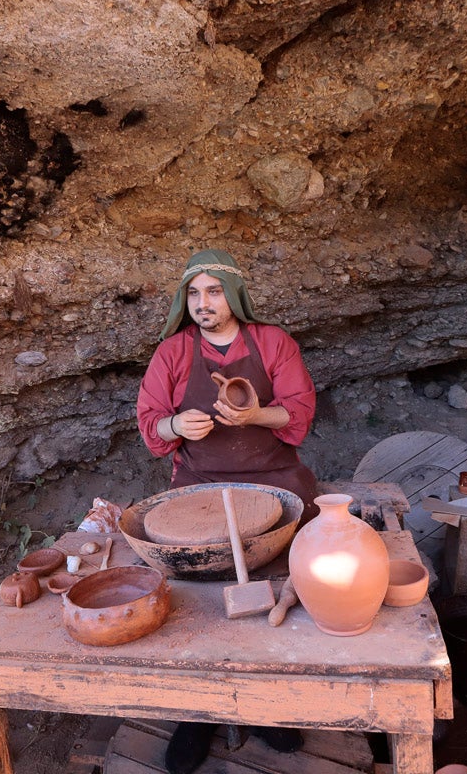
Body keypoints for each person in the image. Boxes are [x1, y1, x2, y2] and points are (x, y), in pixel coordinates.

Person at [136, 249, 318, 774]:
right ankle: (199, 713)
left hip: (272, 478)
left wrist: (256, 414)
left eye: (214, 291)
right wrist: (176, 426)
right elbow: (150, 421)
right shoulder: (173, 351)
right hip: (200, 485)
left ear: (233, 295)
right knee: (198, 602)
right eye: (193, 293)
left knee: (276, 588)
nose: (203, 303)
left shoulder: (272, 342)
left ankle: (265, 702)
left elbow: (299, 413)